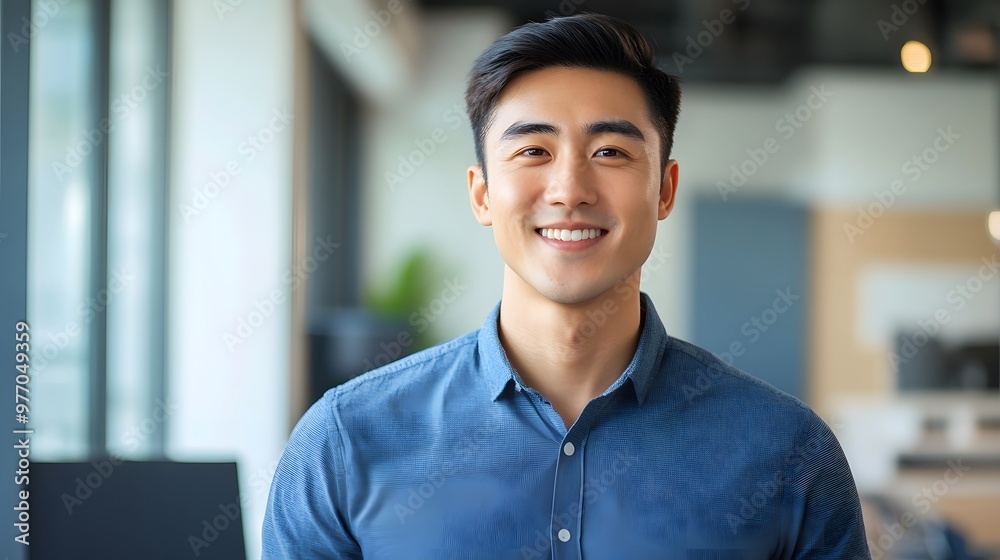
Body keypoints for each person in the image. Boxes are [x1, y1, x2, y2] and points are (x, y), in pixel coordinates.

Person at [262, 13, 871, 559]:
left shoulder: (788, 452)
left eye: (609, 151)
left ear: (664, 190)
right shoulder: (345, 441)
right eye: (533, 150)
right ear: (481, 193)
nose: (569, 189)